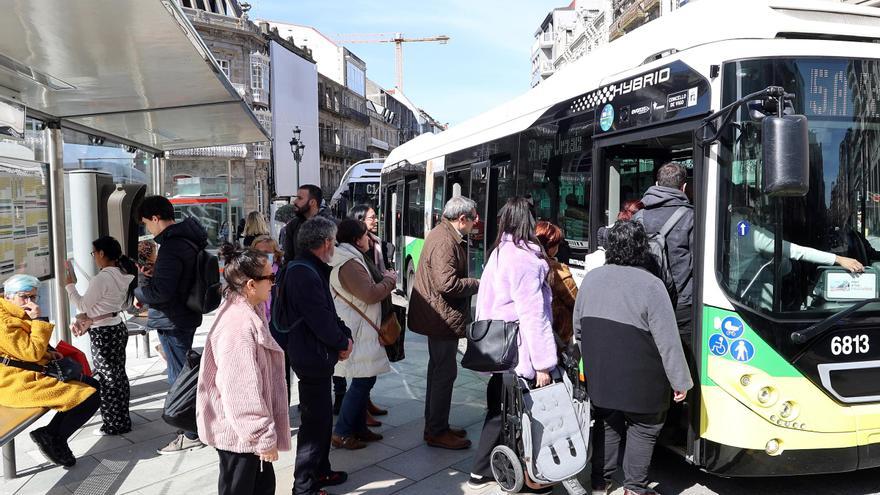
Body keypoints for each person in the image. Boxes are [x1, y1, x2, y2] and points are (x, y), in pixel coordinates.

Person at [573, 220, 694, 495]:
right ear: (642, 249)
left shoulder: (591, 279)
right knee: (645, 426)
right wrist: (680, 381)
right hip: (643, 380)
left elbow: (578, 328)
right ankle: (634, 488)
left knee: (606, 421)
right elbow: (668, 341)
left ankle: (600, 482)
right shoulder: (652, 285)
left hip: (601, 373)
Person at [468, 198, 559, 494]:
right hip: (520, 351)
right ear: (528, 222)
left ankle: (480, 470)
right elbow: (535, 316)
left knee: (497, 409)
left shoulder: (498, 253)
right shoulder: (525, 259)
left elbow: (485, 303)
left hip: (499, 348)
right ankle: (531, 477)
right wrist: (544, 364)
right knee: (522, 415)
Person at [197, 246, 291, 495]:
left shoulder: (247, 311)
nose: (273, 282)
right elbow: (240, 391)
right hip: (241, 438)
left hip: (244, 437)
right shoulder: (238, 325)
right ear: (250, 284)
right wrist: (262, 436)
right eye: (270, 277)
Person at [279, 216, 353, 495]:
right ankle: (305, 485)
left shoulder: (307, 267)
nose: (334, 246)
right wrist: (342, 342)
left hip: (314, 353)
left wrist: (342, 336)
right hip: (311, 356)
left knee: (321, 419)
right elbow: (319, 319)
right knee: (314, 422)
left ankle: (321, 470)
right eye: (333, 241)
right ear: (324, 243)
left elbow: (327, 314)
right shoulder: (303, 272)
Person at [0, 274, 100, 467]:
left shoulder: (13, 312)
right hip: (15, 382)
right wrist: (38, 319)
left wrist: (50, 353)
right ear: (8, 296)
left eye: (33, 296)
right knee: (89, 397)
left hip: (29, 373)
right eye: (24, 297)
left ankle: (52, 435)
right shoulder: (3, 322)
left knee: (92, 385)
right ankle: (53, 437)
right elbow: (31, 352)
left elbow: (29, 351)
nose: (29, 302)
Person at [134, 195, 208, 455]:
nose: (148, 229)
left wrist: (141, 288)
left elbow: (161, 293)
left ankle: (191, 432)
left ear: (156, 218)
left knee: (180, 378)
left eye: (147, 223)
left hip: (173, 319)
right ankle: (195, 425)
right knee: (183, 374)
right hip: (185, 315)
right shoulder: (187, 240)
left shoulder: (172, 246)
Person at [407, 196, 480, 450]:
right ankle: (436, 430)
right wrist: (476, 284)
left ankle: (436, 424)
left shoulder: (444, 235)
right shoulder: (445, 241)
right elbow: (446, 283)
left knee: (438, 371)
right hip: (440, 319)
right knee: (444, 373)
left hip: (438, 317)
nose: (475, 223)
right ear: (462, 219)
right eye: (473, 218)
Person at [328, 219, 396, 450]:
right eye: (366, 235)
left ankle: (357, 428)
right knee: (362, 380)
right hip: (358, 329)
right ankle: (343, 432)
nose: (370, 238)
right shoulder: (349, 262)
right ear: (357, 239)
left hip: (359, 327)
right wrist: (390, 280)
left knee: (364, 378)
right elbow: (369, 294)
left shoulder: (349, 257)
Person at [65, 236, 137, 436]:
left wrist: (70, 285)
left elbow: (83, 305)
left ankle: (113, 424)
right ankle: (122, 418)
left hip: (103, 332)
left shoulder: (102, 278)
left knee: (107, 378)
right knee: (118, 375)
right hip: (117, 327)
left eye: (94, 253)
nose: (94, 257)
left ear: (102, 253)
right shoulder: (123, 274)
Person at [347, 203, 393, 422]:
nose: (375, 221)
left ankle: (366, 403)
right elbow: (368, 287)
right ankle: (358, 412)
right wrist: (388, 280)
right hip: (367, 311)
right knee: (364, 370)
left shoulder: (376, 243)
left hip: (379, 306)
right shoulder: (357, 253)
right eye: (371, 218)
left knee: (371, 366)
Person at [535, 220, 578, 344]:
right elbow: (576, 302)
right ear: (552, 247)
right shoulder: (558, 271)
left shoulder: (524, 264)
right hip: (555, 335)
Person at [281, 185, 337, 265]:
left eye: (300, 198)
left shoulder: (332, 225)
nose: (295, 201)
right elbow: (289, 258)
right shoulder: (293, 225)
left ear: (312, 202)